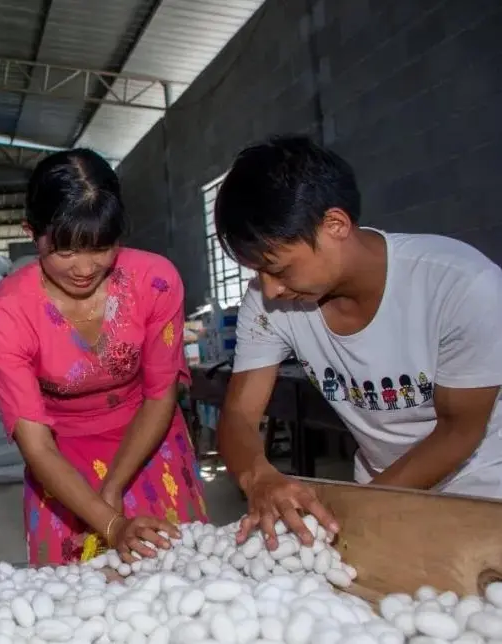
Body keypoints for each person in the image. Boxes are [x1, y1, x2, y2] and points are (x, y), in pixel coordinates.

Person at [214, 135, 502, 550]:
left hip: (480, 490)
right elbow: (240, 413)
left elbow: (459, 430)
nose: (271, 289)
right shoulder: (267, 302)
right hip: (382, 486)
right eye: (259, 272)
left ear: (335, 225)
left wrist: (356, 510)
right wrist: (258, 475)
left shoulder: (460, 285)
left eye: (278, 268)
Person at [0, 148, 207, 566]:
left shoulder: (154, 282)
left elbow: (160, 394)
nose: (84, 267)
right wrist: (111, 522)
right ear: (32, 232)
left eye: (101, 247)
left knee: (177, 572)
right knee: (78, 592)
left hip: (148, 439)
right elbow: (37, 446)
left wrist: (116, 485)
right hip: (62, 460)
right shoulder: (7, 314)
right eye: (64, 251)